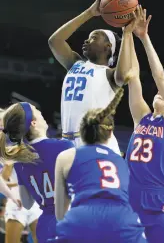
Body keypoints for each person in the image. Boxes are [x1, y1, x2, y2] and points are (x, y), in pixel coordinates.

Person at [49, 88, 147, 243]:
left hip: (82, 217)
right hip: (122, 220)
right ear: (110, 133)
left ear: (81, 131)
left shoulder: (66, 156)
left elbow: (60, 214)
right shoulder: (121, 161)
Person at [122, 6, 164, 242]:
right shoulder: (142, 117)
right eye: (159, 92)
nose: (160, 92)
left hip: (159, 205)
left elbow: (160, 76)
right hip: (129, 200)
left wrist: (144, 38)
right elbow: (132, 77)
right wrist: (127, 35)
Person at [48, 0, 130, 154]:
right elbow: (55, 41)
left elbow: (124, 73)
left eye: (94, 37)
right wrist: (90, 13)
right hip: (68, 141)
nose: (87, 40)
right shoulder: (75, 63)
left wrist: (127, 33)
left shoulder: (110, 74)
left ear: (108, 47)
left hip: (96, 143)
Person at [0, 102, 74, 243]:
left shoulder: (19, 160)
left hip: (45, 225)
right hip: (69, 220)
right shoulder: (64, 146)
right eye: (36, 110)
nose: (40, 112)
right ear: (33, 122)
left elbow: (27, 203)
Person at [2, 164, 42, 243]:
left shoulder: (38, 154)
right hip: (17, 203)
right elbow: (2, 180)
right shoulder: (9, 155)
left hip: (36, 203)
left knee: (41, 239)